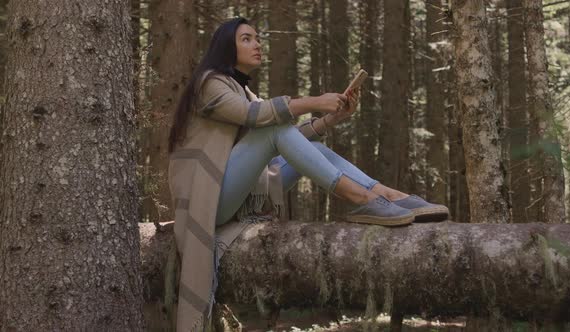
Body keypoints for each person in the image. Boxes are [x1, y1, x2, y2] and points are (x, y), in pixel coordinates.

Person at [167, 17, 448, 331]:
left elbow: (285, 140)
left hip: (233, 195)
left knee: (301, 141)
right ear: (225, 47)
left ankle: (388, 195)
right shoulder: (209, 83)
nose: (257, 44)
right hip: (207, 204)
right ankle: (359, 198)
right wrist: (314, 101)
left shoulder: (245, 91)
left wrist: (331, 119)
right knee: (274, 126)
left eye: (257, 38)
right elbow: (255, 117)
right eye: (246, 39)